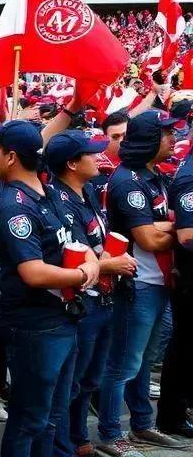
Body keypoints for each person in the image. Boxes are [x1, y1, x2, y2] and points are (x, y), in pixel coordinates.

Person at [0, 121, 99, 456]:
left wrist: (90, 263)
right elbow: (34, 273)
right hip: (35, 326)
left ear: (10, 157)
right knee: (30, 419)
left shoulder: (49, 193)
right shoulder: (14, 206)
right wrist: (84, 274)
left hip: (63, 321)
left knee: (52, 416)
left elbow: (81, 243)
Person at [44, 131, 139, 457]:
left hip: (103, 301)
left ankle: (78, 438)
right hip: (82, 304)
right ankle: (61, 447)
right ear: (71, 163)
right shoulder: (59, 200)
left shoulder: (84, 191)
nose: (100, 157)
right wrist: (112, 264)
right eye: (91, 153)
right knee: (69, 384)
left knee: (88, 380)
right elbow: (72, 253)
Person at [98, 110, 185, 456]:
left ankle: (141, 425)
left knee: (143, 360)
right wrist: (178, 231)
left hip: (157, 281)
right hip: (137, 285)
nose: (172, 138)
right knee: (123, 363)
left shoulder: (153, 176)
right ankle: (109, 432)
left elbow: (161, 226)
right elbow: (149, 238)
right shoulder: (128, 181)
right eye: (165, 133)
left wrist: (167, 229)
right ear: (150, 138)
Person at [160, 124, 193, 440]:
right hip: (189, 279)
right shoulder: (190, 177)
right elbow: (187, 236)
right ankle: (172, 414)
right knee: (184, 347)